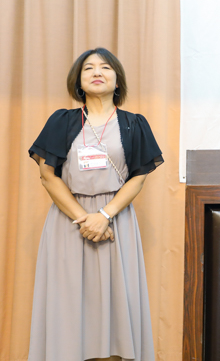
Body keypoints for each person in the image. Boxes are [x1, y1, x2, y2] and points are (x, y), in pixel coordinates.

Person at [27, 48, 163, 361]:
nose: (97, 72)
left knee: (116, 308)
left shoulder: (134, 124)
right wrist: (86, 219)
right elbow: (47, 176)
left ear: (118, 80)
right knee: (67, 305)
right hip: (69, 221)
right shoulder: (62, 121)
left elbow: (139, 178)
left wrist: (104, 215)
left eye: (105, 67)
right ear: (78, 81)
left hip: (115, 221)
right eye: (88, 68)